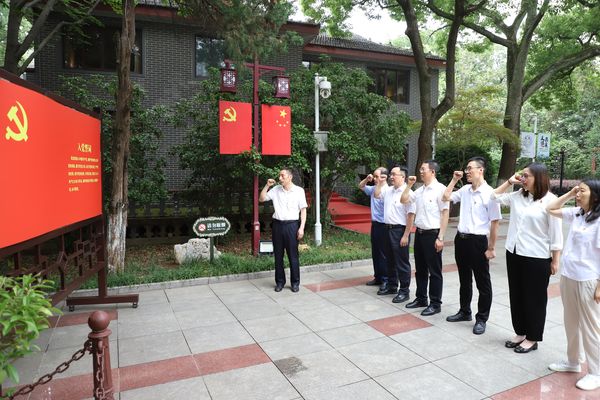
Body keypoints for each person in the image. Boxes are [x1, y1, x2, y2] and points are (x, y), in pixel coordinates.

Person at [491, 163, 562, 353]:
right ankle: (520, 332)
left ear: (538, 178)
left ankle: (532, 337)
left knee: (534, 298)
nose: (522, 179)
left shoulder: (551, 201)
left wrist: (555, 260)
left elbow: (556, 234)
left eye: (526, 176)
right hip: (514, 253)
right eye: (521, 175)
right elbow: (492, 196)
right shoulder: (517, 196)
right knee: (517, 295)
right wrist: (509, 182)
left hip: (537, 257)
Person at [546, 180, 600, 391]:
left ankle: (596, 372)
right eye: (577, 190)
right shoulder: (577, 213)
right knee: (571, 322)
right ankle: (573, 361)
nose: (578, 194)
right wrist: (569, 194)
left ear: (595, 195)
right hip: (569, 275)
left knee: (591, 327)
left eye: (582, 191)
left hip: (588, 279)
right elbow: (550, 209)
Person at [442, 157, 501, 335]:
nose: (467, 172)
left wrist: (491, 248)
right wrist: (454, 180)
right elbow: (445, 197)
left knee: (482, 282)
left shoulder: (490, 194)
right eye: (466, 169)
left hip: (478, 242)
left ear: (480, 170)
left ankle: (481, 318)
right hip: (461, 239)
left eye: (470, 168)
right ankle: (464, 311)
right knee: (464, 278)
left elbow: (495, 222)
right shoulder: (465, 190)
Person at [400, 160, 449, 316]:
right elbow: (403, 199)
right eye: (420, 169)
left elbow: (445, 214)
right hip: (420, 234)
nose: (420, 172)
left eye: (423, 169)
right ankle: (421, 298)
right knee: (420, 269)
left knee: (434, 271)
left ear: (432, 172)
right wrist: (409, 185)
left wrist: (441, 237)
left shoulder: (441, 190)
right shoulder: (419, 191)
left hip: (433, 234)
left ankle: (435, 303)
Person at [259, 168, 308, 293]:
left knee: (293, 256)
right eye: (279, 176)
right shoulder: (276, 189)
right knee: (278, 256)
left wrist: (301, 228)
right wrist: (267, 186)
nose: (280, 178)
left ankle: (295, 283)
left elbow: (303, 210)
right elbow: (262, 199)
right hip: (277, 225)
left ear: (290, 177)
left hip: (292, 226)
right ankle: (280, 282)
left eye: (282, 176)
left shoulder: (299, 191)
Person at [374, 166, 416, 303]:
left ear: (403, 177)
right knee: (389, 260)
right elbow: (376, 195)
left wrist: (406, 235)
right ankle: (392, 286)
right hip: (387, 229)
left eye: (394, 174)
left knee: (401, 262)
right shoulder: (388, 190)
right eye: (390, 174)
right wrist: (380, 181)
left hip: (400, 230)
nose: (391, 177)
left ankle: (404, 291)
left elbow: (411, 216)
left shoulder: (408, 193)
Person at [358, 167, 389, 289]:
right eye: (374, 176)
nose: (375, 179)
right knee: (375, 252)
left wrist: (379, 184)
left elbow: (378, 195)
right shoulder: (373, 189)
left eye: (377, 176)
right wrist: (367, 179)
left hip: (384, 225)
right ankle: (378, 277)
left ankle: (385, 279)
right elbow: (361, 186)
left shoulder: (388, 191)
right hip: (375, 224)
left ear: (384, 177)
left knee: (383, 253)